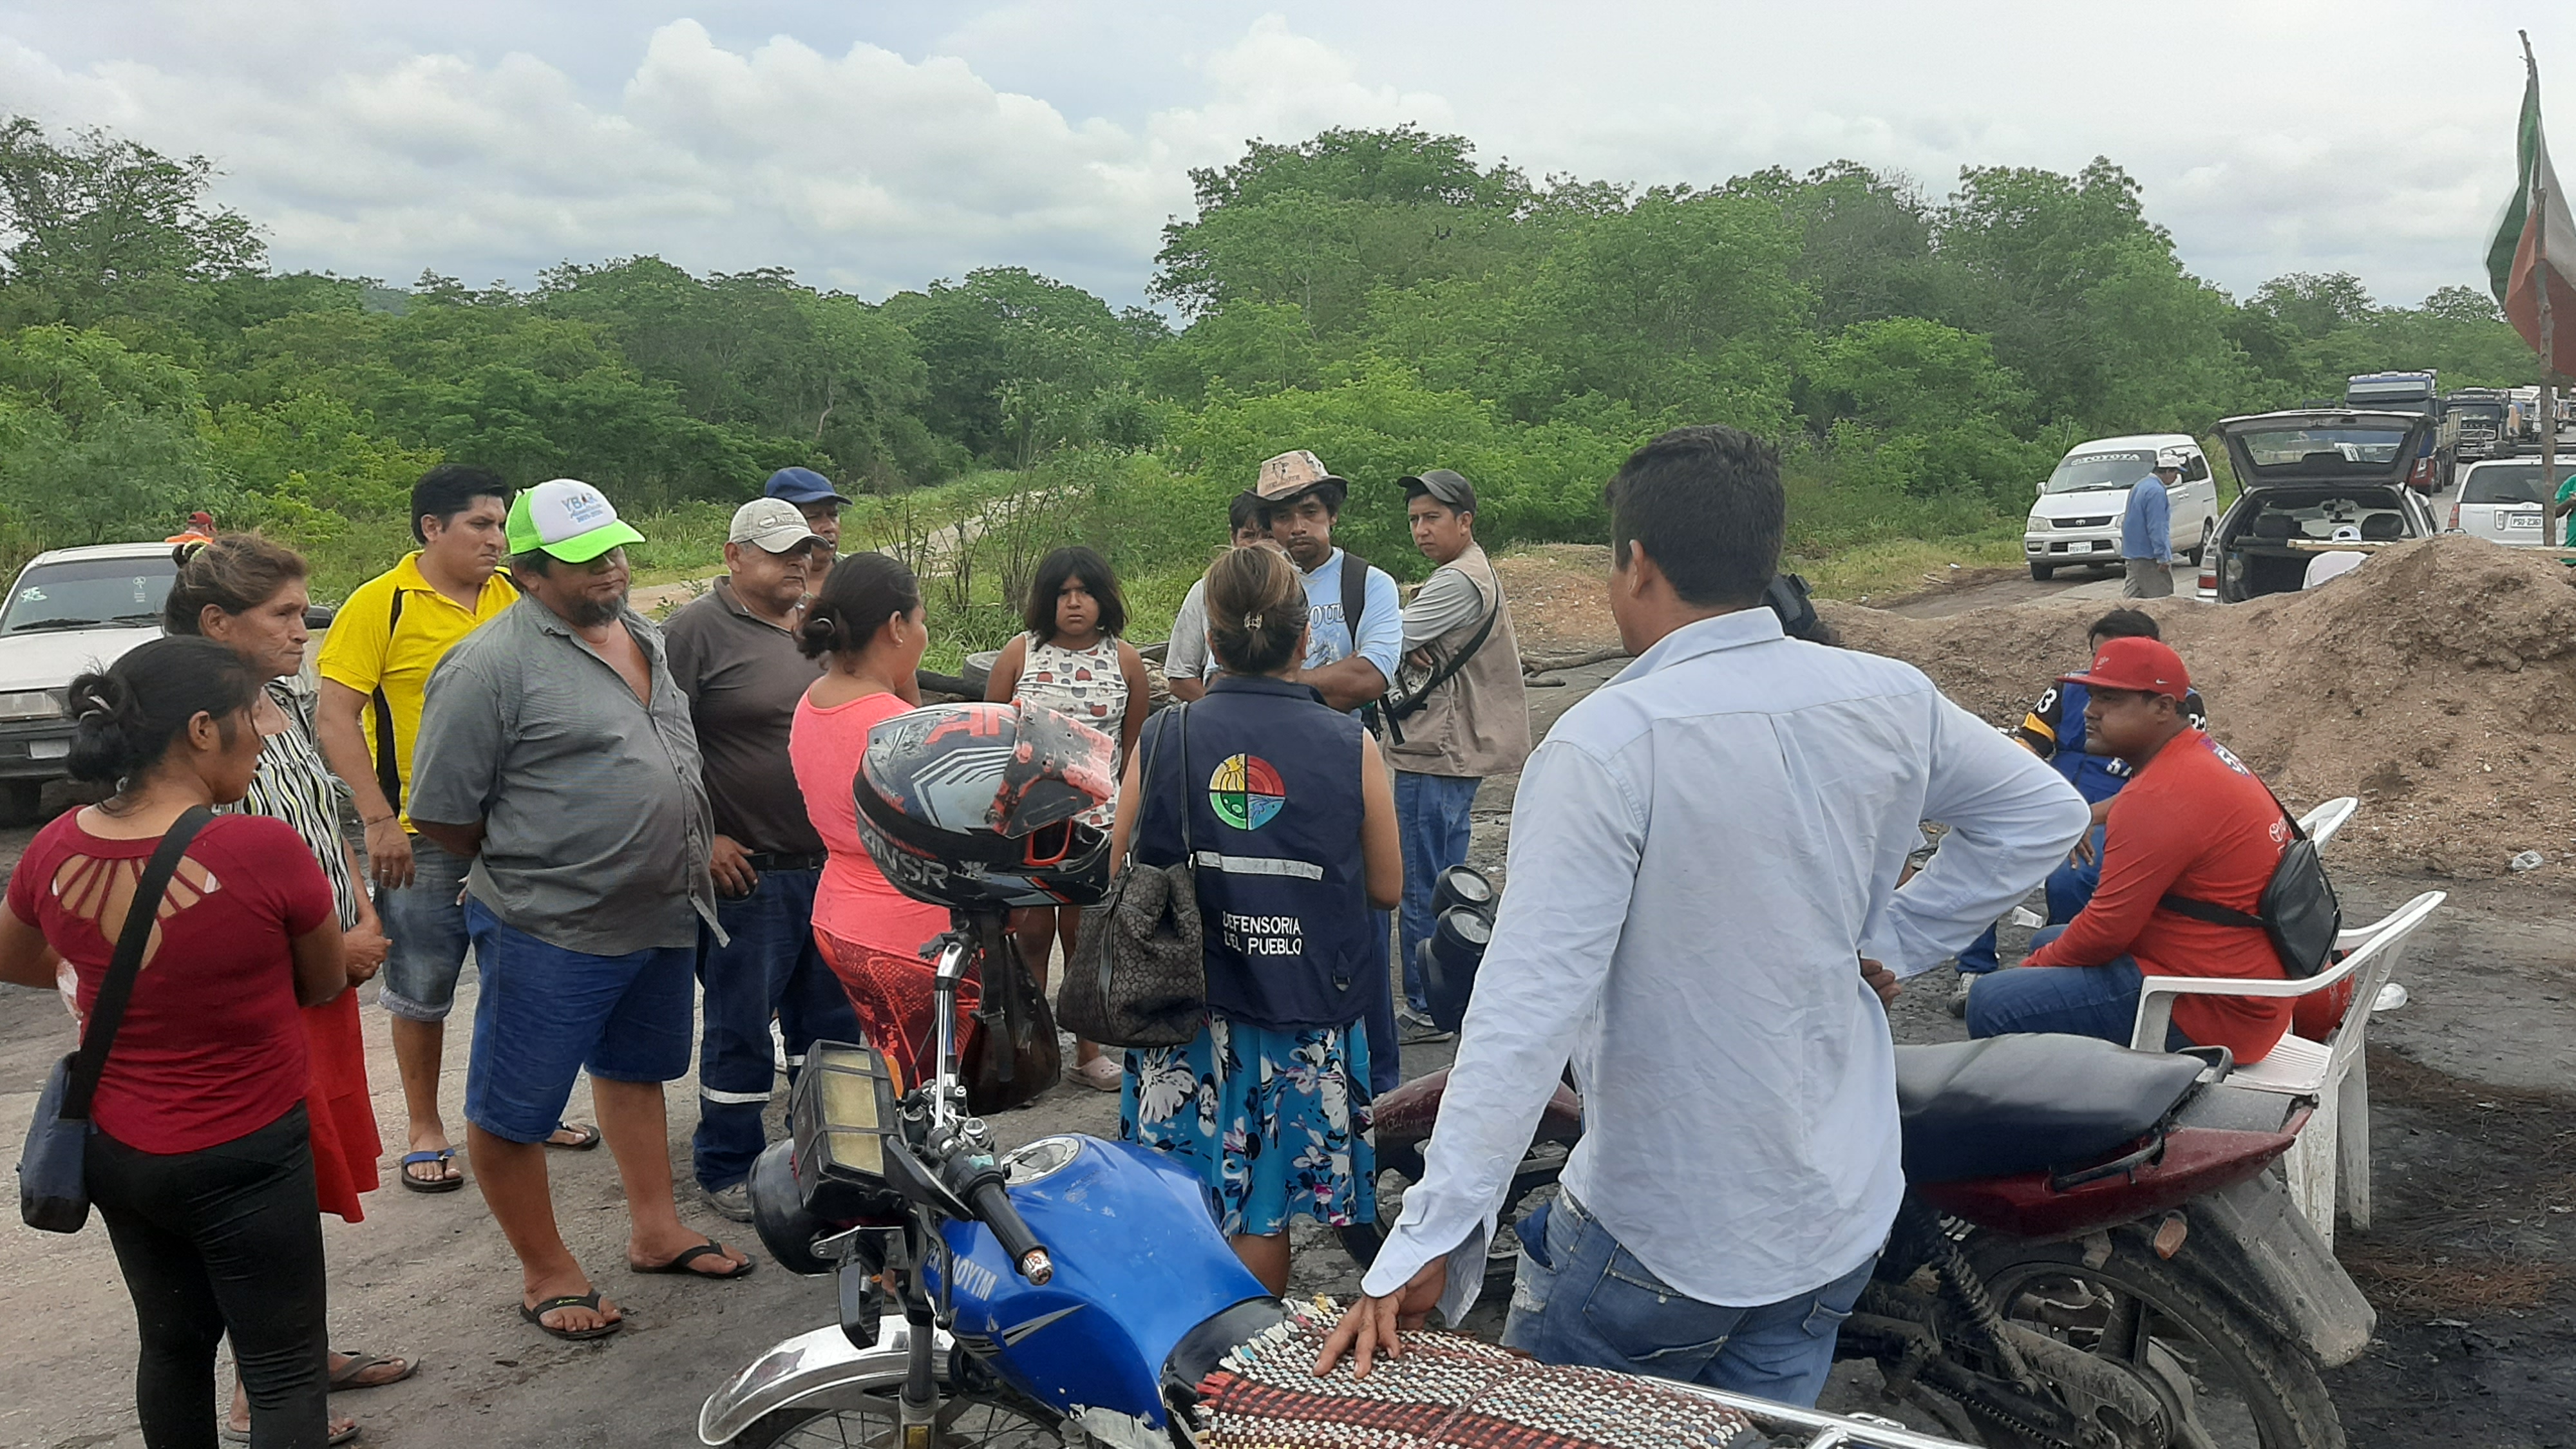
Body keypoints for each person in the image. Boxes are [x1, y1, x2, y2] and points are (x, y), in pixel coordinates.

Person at [1316, 426, 2088, 1401]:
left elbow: (1526, 1010)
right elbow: (2042, 808)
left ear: (1635, 564)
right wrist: (1896, 937)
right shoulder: (1888, 695)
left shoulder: (1610, 741)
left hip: (1667, 1233)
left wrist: (1432, 1232)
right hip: (1833, 1219)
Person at [408, 478, 753, 1343]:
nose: (610, 567)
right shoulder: (488, 665)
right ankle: (548, 1268)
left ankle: (655, 1227)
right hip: (549, 924)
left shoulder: (644, 635)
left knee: (637, 1071)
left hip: (663, 913)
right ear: (528, 571)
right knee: (512, 1106)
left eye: (614, 548)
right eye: (583, 558)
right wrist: (549, 858)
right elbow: (445, 810)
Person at [0, 638, 350, 1448]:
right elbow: (325, 981)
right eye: (251, 715)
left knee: (172, 1344)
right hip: (248, 1148)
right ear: (201, 730)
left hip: (119, 1151)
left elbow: (16, 958)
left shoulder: (56, 844)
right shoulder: (259, 848)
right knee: (284, 1368)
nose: (266, 731)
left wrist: (103, 974)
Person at [165, 536, 419, 1439]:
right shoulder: (191, 729)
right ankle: (260, 1383)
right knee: (256, 1190)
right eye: (281, 615)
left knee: (302, 1172)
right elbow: (203, 882)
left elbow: (322, 819)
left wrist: (357, 915)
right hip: (266, 989)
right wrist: (322, 946)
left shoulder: (278, 703)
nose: (301, 628)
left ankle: (294, 1352)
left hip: (327, 973)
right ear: (216, 623)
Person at [1115, 545, 1402, 1295]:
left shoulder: (1166, 737)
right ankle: (1241, 1374)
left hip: (1183, 1012)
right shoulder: (1350, 744)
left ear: (1211, 640)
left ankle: (1183, 1368)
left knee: (1184, 1196)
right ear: (1305, 640)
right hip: (1300, 1012)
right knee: (1262, 1215)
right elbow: (1387, 885)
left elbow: (1120, 861)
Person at [316, 465, 596, 1194]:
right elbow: (335, 717)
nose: (497, 540)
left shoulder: (516, 596)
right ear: (431, 528)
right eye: (480, 524)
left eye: (502, 525)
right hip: (423, 833)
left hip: (521, 834)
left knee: (530, 977)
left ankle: (527, 1113)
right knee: (421, 982)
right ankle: (424, 1127)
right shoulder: (382, 605)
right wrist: (378, 818)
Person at [662, 498, 866, 1222]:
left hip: (829, 863)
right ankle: (729, 1167)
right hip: (751, 872)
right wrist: (704, 835)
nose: (797, 563)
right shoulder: (694, 632)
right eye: (779, 551)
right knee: (741, 1026)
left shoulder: (819, 625)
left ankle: (827, 1158)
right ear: (734, 556)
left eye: (804, 550)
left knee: (831, 1028)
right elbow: (661, 743)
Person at [1965, 637, 2308, 1063]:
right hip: (2241, 981)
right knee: (2047, 939)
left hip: (2212, 1009)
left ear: (2163, 707)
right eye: (2091, 696)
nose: (2090, 710)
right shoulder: (2200, 754)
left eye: (2110, 699)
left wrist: (2032, 970)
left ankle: (2074, 1123)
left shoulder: (2158, 795)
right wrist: (2091, 815)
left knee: (1993, 1001)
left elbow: (2104, 934)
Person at [1952, 609, 2208, 1012]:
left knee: (2072, 875)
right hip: (2050, 801)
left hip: (2113, 813)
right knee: (1977, 850)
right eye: (2097, 659)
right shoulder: (2070, 689)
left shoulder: (2176, 704)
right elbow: (2027, 748)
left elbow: (2165, 786)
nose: (2101, 673)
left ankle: (2067, 975)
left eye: (2116, 662)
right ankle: (1975, 969)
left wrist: (2089, 817)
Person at [788, 551, 972, 1092]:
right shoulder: (897, 731)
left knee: (887, 1076)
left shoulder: (814, 701)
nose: (924, 632)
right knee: (929, 1098)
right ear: (896, 626)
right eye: (919, 620)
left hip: (841, 916)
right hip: (908, 938)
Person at [1253, 449, 1406, 1092]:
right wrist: (1319, 688)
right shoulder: (1253, 583)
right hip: (1259, 786)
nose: (1297, 528)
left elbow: (1369, 676)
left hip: (1346, 778)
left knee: (1364, 933)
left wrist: (1273, 690)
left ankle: (1383, 1098)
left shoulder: (1368, 584)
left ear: (1332, 515)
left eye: (1309, 512)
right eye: (1283, 515)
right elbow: (1211, 680)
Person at [985, 545, 1150, 1092]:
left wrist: (1125, 829)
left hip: (1096, 826)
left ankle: (1088, 1050)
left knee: (1084, 936)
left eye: (1085, 592)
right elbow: (988, 739)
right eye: (1063, 593)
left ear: (1105, 599)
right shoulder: (1020, 655)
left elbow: (1133, 754)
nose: (1075, 604)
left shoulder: (1125, 660)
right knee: (1030, 934)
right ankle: (1032, 1055)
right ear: (1046, 600)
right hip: (1028, 822)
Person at [1387, 469, 1530, 1042]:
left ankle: (1425, 1004)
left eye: (1432, 518)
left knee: (1422, 880)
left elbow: (1381, 641)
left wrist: (1396, 637)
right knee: (1449, 877)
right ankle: (1454, 994)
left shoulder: (1456, 582)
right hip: (1453, 746)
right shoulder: (1470, 572)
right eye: (1416, 519)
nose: (1421, 530)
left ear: (1464, 522)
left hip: (1436, 747)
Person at [1164, 491, 1269, 703]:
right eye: (1249, 536)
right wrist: (1222, 711)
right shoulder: (1205, 592)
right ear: (1233, 537)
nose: (1259, 546)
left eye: (1268, 536)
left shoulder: (1293, 593)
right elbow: (1179, 678)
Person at [766, 466, 851, 584]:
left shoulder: (860, 575)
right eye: (814, 517)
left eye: (833, 515)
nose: (830, 527)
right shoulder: (762, 586)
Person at [2119, 451, 2179, 599]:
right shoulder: (2156, 492)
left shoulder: (2140, 485)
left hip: (2132, 552)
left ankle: (2118, 621)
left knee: (2131, 599)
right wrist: (2163, 556)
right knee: (2162, 598)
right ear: (2167, 471)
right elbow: (2157, 527)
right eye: (2175, 472)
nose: (2176, 477)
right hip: (2149, 555)